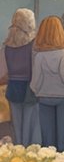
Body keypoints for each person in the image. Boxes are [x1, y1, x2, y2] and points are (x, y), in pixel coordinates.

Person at [31, 17, 64, 150]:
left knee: (47, 141)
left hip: (44, 97)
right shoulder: (63, 53)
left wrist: (37, 91)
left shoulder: (39, 55)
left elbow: (36, 81)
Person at [1, 9, 38, 146]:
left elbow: (2, 72)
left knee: (17, 125)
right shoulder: (34, 44)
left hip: (13, 88)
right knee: (29, 124)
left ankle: (19, 149)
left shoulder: (7, 46)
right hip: (30, 88)